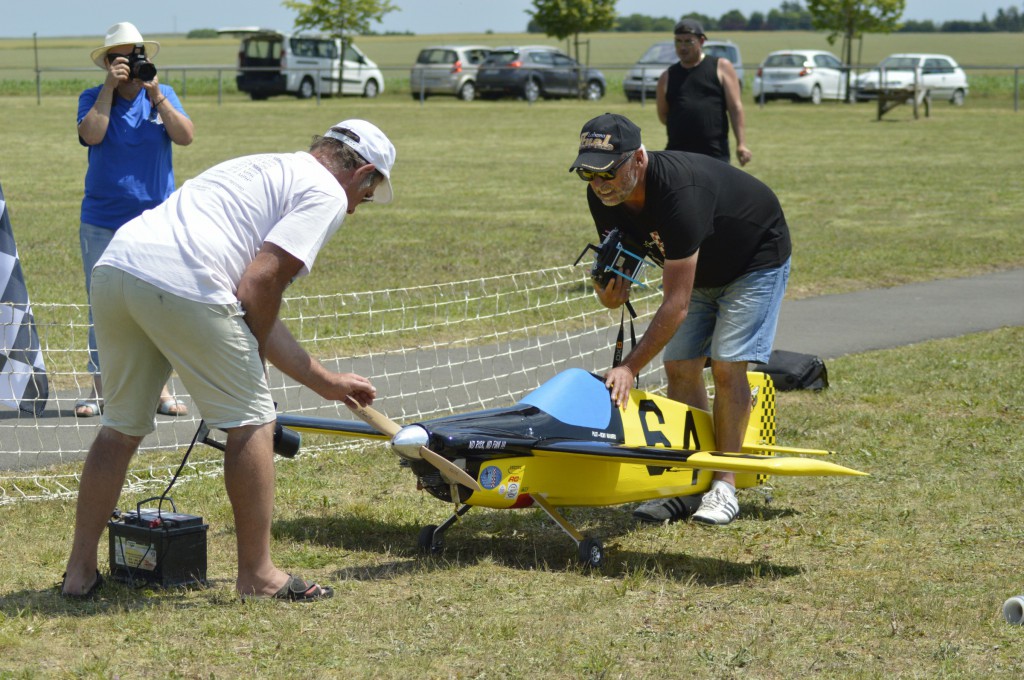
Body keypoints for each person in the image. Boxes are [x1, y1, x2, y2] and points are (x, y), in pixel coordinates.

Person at [61, 119, 396, 601]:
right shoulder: (324, 193)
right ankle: (258, 576)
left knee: (120, 427)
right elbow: (258, 286)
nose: (357, 208)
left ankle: (79, 573)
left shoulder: (264, 166)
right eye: (365, 196)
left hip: (119, 268)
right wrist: (253, 377)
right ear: (362, 172)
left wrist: (324, 381)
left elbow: (251, 300)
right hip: (182, 279)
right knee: (253, 423)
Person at [570, 113, 791, 526]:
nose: (599, 185)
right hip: (698, 267)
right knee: (680, 366)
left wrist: (630, 367)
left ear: (637, 158)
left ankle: (724, 485)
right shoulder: (603, 197)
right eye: (588, 173)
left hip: (754, 259)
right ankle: (693, 481)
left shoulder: (680, 193)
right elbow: (619, 272)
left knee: (727, 366)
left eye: (608, 173)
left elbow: (676, 304)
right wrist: (608, 292)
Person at [75, 22, 195, 418]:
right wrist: (109, 90)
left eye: (135, 56)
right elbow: (92, 135)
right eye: (119, 58)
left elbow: (186, 136)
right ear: (107, 63)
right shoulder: (93, 97)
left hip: (156, 222)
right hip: (103, 220)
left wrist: (157, 96)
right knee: (103, 306)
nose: (129, 64)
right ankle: (100, 391)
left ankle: (159, 391)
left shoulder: (163, 96)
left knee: (158, 303)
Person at [655, 18, 751, 167]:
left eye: (688, 41)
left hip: (714, 153)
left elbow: (735, 108)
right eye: (678, 41)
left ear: (701, 41)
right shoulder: (667, 76)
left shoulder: (721, 67)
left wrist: (741, 144)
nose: (682, 47)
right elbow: (663, 115)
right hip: (678, 155)